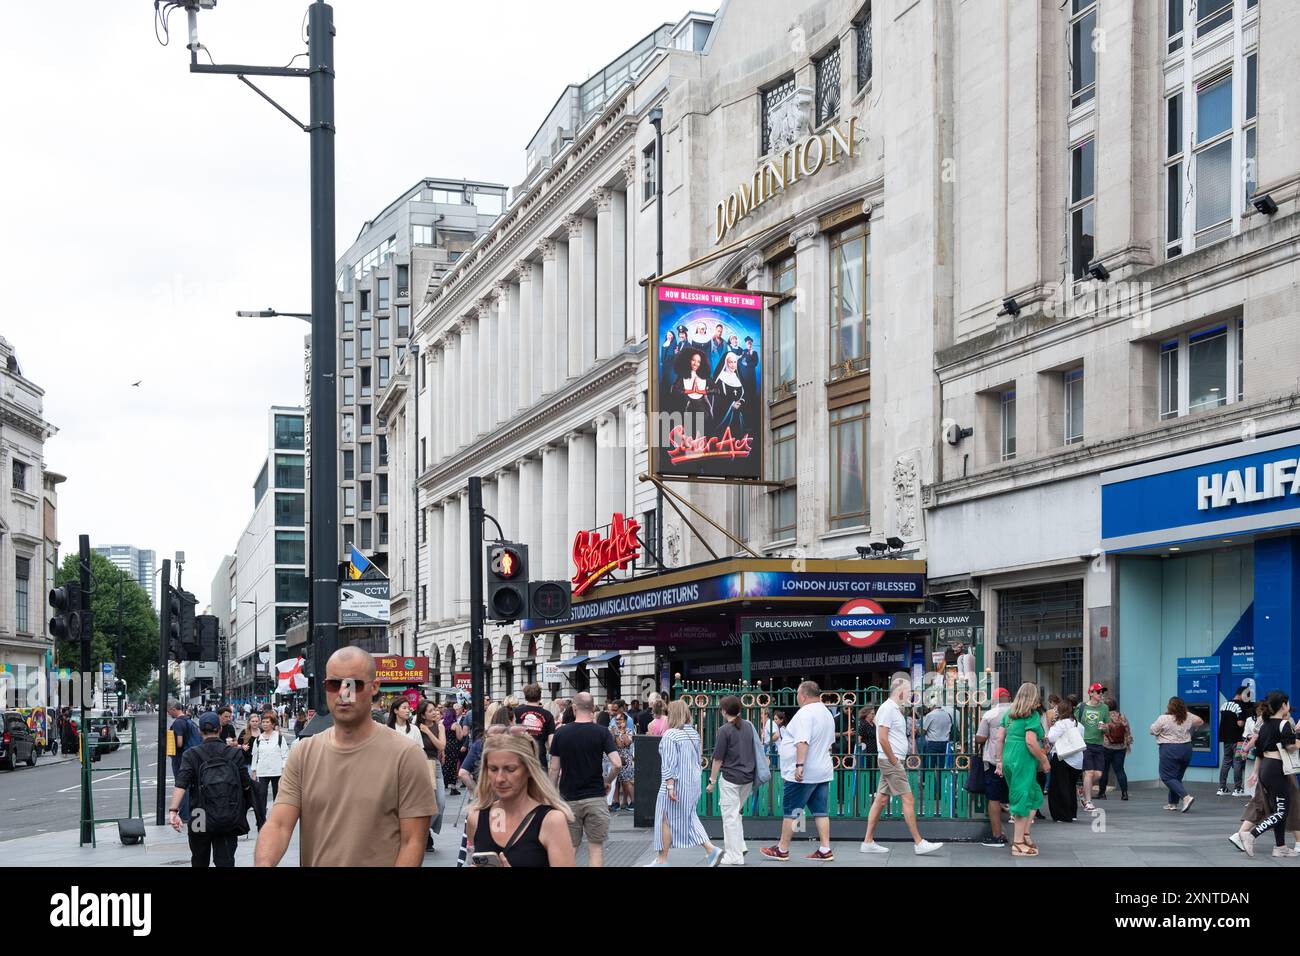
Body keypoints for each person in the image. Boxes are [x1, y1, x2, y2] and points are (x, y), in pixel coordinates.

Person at [253, 647, 436, 867]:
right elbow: (279, 825)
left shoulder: (406, 755)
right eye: (334, 684)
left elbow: (413, 841)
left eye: (354, 684)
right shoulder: (303, 753)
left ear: (374, 687)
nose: (343, 693)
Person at [859, 676, 944, 857]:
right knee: (908, 799)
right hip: (892, 761)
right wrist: (894, 761)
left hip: (891, 760)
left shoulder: (894, 709)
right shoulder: (887, 709)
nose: (910, 695)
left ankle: (867, 842)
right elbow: (882, 737)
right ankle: (919, 843)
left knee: (881, 800)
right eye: (908, 691)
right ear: (900, 691)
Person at [466, 732, 576, 867]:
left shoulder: (551, 820)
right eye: (493, 769)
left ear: (529, 770)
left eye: (510, 769)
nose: (500, 778)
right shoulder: (476, 818)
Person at [762, 682, 838, 862]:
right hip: (822, 770)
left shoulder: (805, 713)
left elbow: (802, 741)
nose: (796, 697)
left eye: (797, 693)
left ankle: (782, 849)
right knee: (820, 811)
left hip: (804, 774)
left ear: (803, 695)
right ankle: (825, 848)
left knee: (792, 810)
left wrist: (799, 765)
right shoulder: (826, 713)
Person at [169, 711, 255, 867]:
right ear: (220, 729)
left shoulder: (191, 754)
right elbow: (246, 784)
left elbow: (181, 783)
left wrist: (173, 811)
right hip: (227, 813)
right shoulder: (234, 753)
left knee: (199, 858)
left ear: (200, 731)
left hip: (199, 814)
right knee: (225, 861)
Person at [549, 692, 620, 868]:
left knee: (570, 848)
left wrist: (551, 794)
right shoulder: (602, 732)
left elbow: (554, 769)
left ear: (574, 708)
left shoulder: (561, 733)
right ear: (593, 708)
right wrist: (607, 781)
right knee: (595, 849)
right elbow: (617, 764)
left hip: (568, 798)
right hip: (595, 796)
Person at [648, 700, 722, 867]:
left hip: (676, 783)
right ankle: (664, 859)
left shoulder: (670, 735)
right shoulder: (693, 734)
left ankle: (663, 860)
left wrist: (670, 786)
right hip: (693, 782)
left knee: (665, 818)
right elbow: (697, 759)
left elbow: (668, 763)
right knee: (689, 817)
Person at [1230, 691, 1299, 857]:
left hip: (1267, 768)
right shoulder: (1284, 725)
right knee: (1282, 812)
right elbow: (1290, 746)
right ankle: (1250, 835)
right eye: (1287, 703)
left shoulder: (1265, 725)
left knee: (1278, 809)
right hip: (1277, 768)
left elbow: (1259, 751)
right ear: (1283, 705)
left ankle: (1280, 847)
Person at [994, 682, 1050, 856]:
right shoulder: (1031, 716)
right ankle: (1018, 843)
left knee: (1034, 794)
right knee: (1022, 799)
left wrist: (999, 760)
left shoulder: (1009, 714)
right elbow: (1030, 741)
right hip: (1023, 759)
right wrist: (1044, 760)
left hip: (1010, 757)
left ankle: (1024, 834)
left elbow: (999, 738)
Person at [705, 695, 757, 865]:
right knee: (735, 815)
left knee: (730, 818)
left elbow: (718, 758)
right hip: (748, 778)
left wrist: (712, 781)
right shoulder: (749, 726)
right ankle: (739, 847)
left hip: (730, 778)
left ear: (724, 711)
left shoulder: (724, 730)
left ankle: (734, 856)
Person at [1150, 696, 1203, 813]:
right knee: (1176, 777)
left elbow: (1152, 730)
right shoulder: (1188, 716)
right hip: (1186, 748)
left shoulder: (1163, 718)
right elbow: (1200, 721)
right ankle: (1172, 803)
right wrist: (1192, 729)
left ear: (1169, 706)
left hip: (1170, 749)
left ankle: (1186, 797)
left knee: (1167, 776)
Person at [975, 688, 1012, 848]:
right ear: (1009, 697)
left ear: (995, 699)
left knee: (994, 798)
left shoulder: (990, 714)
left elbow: (980, 738)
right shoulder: (1020, 712)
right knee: (1018, 796)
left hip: (994, 762)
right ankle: (1022, 835)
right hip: (1016, 760)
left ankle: (997, 835)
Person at [414, 700, 447, 852]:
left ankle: (423, 831)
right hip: (420, 765)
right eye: (431, 711)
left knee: (440, 803)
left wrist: (427, 731)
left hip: (435, 765)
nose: (435, 713)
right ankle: (424, 835)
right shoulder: (414, 727)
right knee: (425, 803)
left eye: (435, 710)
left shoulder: (439, 726)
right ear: (423, 714)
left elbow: (441, 746)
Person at [1045, 699, 1084, 822]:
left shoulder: (1061, 724)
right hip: (1077, 759)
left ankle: (1062, 815)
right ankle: (1072, 813)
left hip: (1062, 757)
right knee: (1071, 786)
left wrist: (1053, 726)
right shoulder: (1079, 725)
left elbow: (1051, 738)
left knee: (1059, 787)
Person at [250, 713, 290, 830]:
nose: (265, 724)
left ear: (273, 724)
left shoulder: (279, 738)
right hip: (262, 772)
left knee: (278, 797)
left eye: (268, 722)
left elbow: (285, 756)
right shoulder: (258, 739)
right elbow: (255, 756)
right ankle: (261, 822)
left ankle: (278, 820)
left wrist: (283, 769)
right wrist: (254, 771)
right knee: (261, 797)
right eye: (264, 722)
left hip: (277, 772)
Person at [1076, 683, 1111, 812]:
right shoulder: (1082, 707)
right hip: (1084, 744)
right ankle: (1088, 801)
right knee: (1089, 773)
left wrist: (1105, 728)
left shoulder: (1105, 708)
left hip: (1099, 744)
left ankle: (1083, 790)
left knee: (1098, 774)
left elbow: (1108, 726)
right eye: (1098, 692)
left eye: (1102, 692)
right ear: (1090, 693)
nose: (1101, 694)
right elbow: (1074, 722)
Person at [167, 699, 200, 824]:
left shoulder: (178, 723)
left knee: (182, 785)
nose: (168, 713)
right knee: (189, 785)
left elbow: (179, 743)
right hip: (191, 756)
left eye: (168, 711)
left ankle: (185, 814)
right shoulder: (189, 720)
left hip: (181, 758)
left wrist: (169, 743)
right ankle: (187, 812)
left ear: (173, 709)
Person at [512, 683, 556, 769]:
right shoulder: (547, 715)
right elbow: (551, 743)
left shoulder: (516, 712)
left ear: (525, 696)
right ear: (540, 696)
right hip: (539, 758)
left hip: (520, 755)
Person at [1098, 696, 1132, 800]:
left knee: (1104, 770)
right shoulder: (1122, 717)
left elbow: (1100, 731)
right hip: (1120, 748)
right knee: (1120, 770)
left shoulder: (1104, 717)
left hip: (1106, 747)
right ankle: (1124, 793)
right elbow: (1127, 731)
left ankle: (1102, 793)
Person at [1218, 685, 1249, 797]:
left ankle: (1222, 788)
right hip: (1238, 739)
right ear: (1243, 694)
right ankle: (1237, 789)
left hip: (1226, 738)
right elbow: (1240, 723)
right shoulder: (1240, 706)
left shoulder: (1224, 705)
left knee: (1226, 761)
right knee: (1237, 762)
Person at [708, 351, 747, 439]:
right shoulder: (720, 379)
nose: (733, 365)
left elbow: (744, 394)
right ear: (725, 363)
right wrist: (731, 404)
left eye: (734, 362)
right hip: (723, 417)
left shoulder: (738, 378)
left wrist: (740, 402)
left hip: (737, 417)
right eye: (730, 362)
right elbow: (716, 398)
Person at [610, 709, 636, 812]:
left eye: (620, 719)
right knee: (616, 781)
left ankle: (633, 802)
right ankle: (616, 802)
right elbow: (614, 744)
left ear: (625, 721)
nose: (618, 722)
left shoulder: (629, 730)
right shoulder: (612, 730)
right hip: (616, 758)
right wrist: (615, 734)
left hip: (626, 759)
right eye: (616, 720)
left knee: (626, 781)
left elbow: (625, 743)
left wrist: (622, 732)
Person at [1242, 701, 1265, 797]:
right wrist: (1249, 736)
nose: (1260, 711)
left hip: (1262, 748)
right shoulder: (1249, 720)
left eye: (1262, 709)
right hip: (1252, 747)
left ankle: (1260, 797)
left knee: (1261, 773)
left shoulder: (1266, 719)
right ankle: (1252, 796)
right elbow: (1245, 733)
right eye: (1259, 709)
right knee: (1251, 772)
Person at [921, 704, 952, 769]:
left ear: (933, 706)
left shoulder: (930, 715)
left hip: (932, 742)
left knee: (930, 765)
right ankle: (941, 779)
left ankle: (929, 779)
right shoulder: (947, 715)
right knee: (942, 766)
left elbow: (923, 731)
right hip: (945, 743)